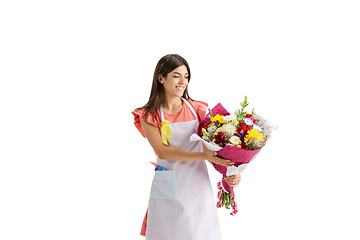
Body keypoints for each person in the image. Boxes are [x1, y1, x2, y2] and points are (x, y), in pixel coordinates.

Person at [132, 54, 242, 240]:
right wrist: (205, 157)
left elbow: (213, 150)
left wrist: (231, 171)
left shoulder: (197, 110)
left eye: (186, 76)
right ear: (161, 78)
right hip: (167, 187)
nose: (183, 81)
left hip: (197, 186)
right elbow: (162, 151)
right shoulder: (150, 115)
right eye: (176, 75)